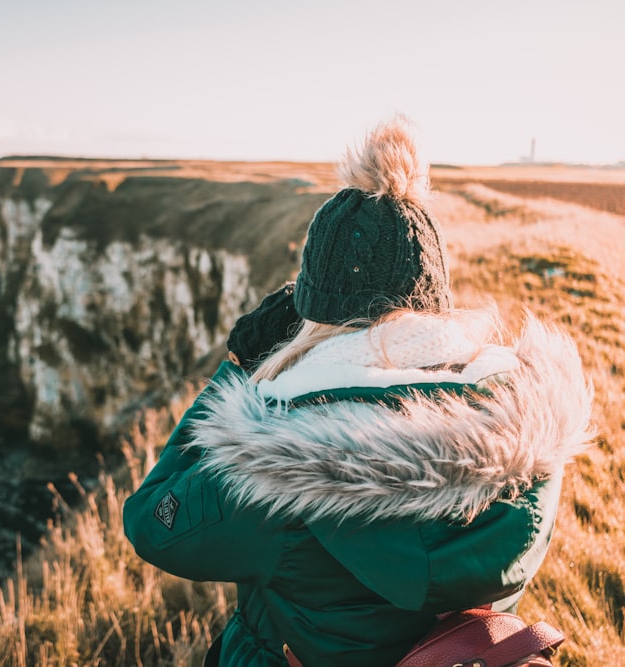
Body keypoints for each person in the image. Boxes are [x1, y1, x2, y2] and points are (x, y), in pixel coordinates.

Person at [122, 117, 594, 667]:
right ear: (431, 298)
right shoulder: (528, 446)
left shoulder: (275, 468)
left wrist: (236, 370)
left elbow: (153, 523)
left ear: (316, 312)